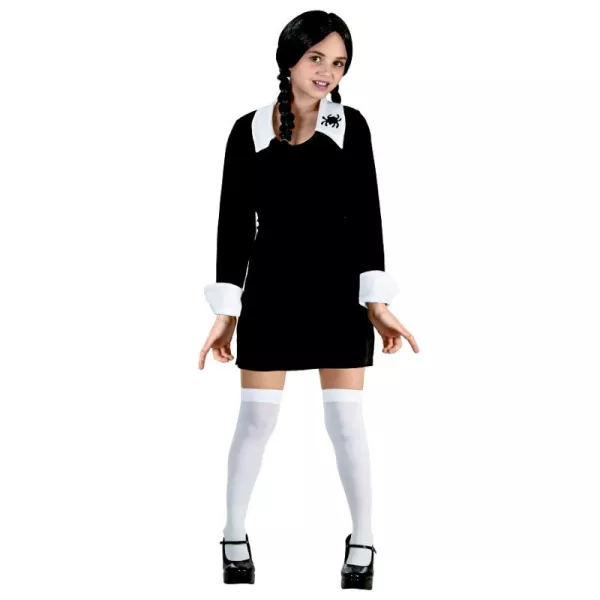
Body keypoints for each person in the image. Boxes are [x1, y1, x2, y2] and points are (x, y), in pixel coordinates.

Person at [198, 10, 419, 590]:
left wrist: (376, 302)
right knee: (255, 420)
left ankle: (363, 539)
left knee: (346, 423)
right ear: (289, 59)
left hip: (337, 290)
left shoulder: (351, 126)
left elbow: (367, 215)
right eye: (316, 57)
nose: (327, 72)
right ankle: (233, 532)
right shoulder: (247, 131)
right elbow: (232, 224)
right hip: (271, 290)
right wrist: (226, 310)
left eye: (338, 63)